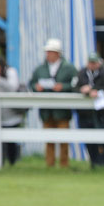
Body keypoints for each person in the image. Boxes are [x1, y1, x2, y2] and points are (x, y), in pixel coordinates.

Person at [28, 38, 77, 168]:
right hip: (46, 110)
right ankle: (49, 165)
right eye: (47, 52)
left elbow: (75, 84)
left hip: (62, 110)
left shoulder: (69, 68)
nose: (48, 54)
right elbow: (32, 83)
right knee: (48, 138)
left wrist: (63, 87)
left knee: (63, 138)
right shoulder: (40, 69)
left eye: (51, 52)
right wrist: (36, 87)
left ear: (58, 53)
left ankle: (64, 164)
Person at [75, 52, 104, 168]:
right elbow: (75, 87)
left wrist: (95, 90)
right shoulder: (82, 73)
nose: (92, 65)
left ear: (98, 63)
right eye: (90, 63)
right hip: (85, 113)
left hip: (102, 113)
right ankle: (94, 163)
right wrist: (83, 90)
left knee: (103, 138)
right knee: (88, 138)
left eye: (94, 63)